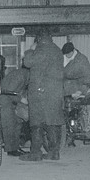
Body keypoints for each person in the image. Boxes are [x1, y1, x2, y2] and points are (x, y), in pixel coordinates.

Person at [20, 30, 64, 161]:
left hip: (40, 93)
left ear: (38, 39)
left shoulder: (41, 49)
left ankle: (35, 153)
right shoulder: (57, 50)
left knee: (36, 123)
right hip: (55, 92)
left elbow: (27, 62)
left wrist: (30, 50)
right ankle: (54, 152)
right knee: (52, 122)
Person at [0, 65, 30, 156]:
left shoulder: (23, 75)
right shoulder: (20, 75)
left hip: (11, 101)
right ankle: (11, 149)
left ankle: (15, 148)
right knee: (9, 125)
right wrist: (21, 100)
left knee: (17, 124)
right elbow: (9, 91)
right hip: (5, 101)